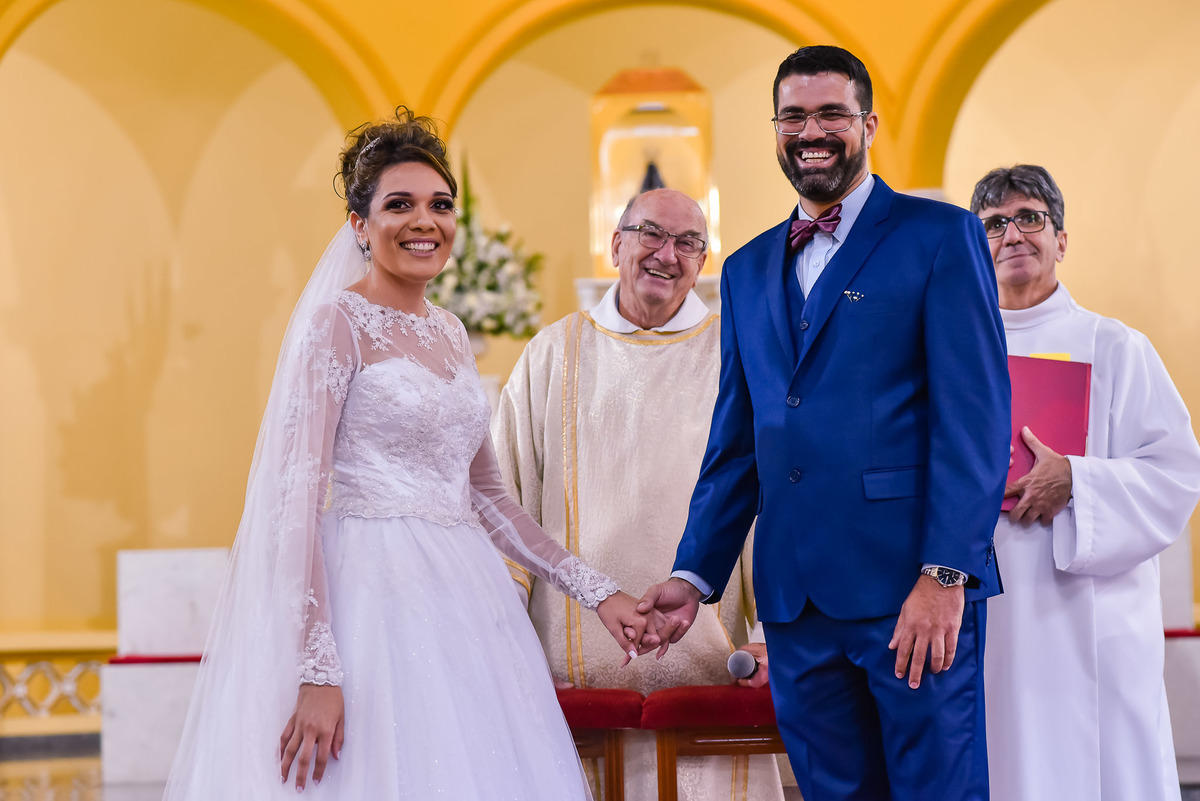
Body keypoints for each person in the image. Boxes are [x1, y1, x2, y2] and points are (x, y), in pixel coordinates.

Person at [162, 108, 658, 800]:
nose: (425, 221)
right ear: (359, 225)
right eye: (399, 204)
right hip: (367, 595)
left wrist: (598, 593)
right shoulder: (336, 324)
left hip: (464, 596)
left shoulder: (451, 331)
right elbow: (294, 499)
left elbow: (489, 497)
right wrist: (317, 669)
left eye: (440, 205)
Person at [639, 46, 1011, 800]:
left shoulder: (940, 236)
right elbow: (738, 441)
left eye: (831, 114)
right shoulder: (745, 269)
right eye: (794, 117)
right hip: (795, 603)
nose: (811, 132)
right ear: (776, 130)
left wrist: (946, 574)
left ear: (867, 124)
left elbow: (973, 423)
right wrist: (693, 573)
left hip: (910, 589)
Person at [491, 188, 785, 800]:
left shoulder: (735, 357)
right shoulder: (551, 354)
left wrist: (767, 637)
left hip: (708, 669)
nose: (667, 255)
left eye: (688, 243)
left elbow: (774, 506)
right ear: (616, 244)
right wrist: (504, 644)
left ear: (702, 262)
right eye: (651, 234)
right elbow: (503, 504)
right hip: (570, 681)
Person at [970, 164, 1200, 801]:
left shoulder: (1117, 347)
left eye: (1030, 218)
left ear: (1061, 240)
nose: (1012, 235)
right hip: (987, 610)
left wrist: (1077, 479)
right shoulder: (955, 353)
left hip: (1090, 611)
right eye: (994, 224)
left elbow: (1177, 473)